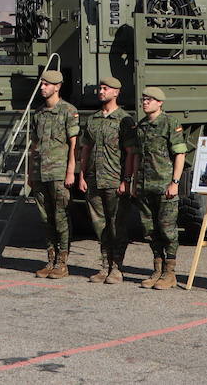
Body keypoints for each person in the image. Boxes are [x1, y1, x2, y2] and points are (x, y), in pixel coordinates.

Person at [129, 86, 188, 290]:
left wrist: (175, 182)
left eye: (150, 99)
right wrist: (134, 181)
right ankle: (157, 269)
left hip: (164, 187)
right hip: (145, 186)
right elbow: (137, 155)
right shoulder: (142, 125)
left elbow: (180, 154)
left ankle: (170, 273)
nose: (145, 102)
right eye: (144, 99)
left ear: (160, 103)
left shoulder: (170, 123)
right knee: (150, 230)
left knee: (167, 230)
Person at [77, 76, 135, 284]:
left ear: (116, 92)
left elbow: (130, 153)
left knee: (117, 225)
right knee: (100, 226)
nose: (101, 91)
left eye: (105, 88)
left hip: (114, 179)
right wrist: (82, 175)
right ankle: (105, 266)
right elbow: (85, 149)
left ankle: (117, 268)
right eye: (100, 88)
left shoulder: (124, 120)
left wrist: (126, 179)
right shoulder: (93, 120)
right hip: (94, 179)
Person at [26, 69, 79, 279]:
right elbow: (34, 145)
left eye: (46, 85)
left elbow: (73, 144)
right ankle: (50, 260)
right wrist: (30, 172)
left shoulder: (68, 111)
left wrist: (70, 171)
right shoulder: (38, 113)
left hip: (58, 173)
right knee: (45, 218)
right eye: (42, 84)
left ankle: (62, 263)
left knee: (61, 217)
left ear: (57, 87)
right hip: (41, 174)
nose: (42, 88)